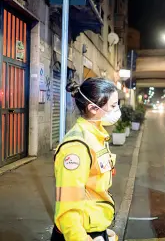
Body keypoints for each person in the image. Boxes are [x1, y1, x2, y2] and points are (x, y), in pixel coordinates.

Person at [51, 78, 120, 241]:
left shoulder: (97, 136)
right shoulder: (77, 147)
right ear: (92, 108)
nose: (117, 110)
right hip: (79, 233)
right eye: (113, 105)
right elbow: (67, 209)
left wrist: (102, 230)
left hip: (94, 229)